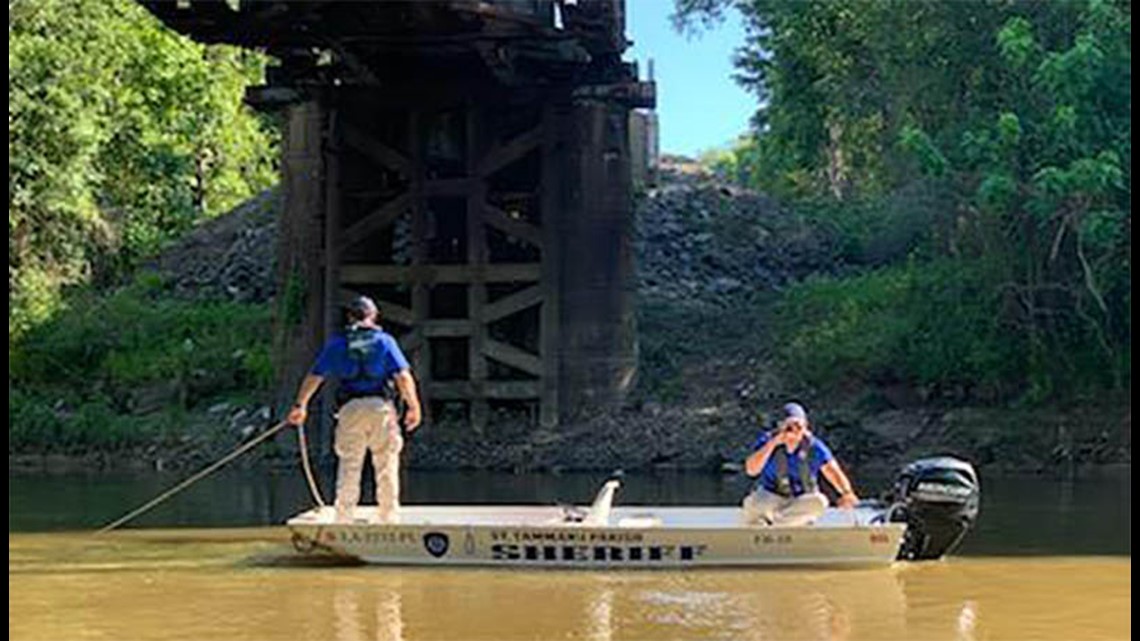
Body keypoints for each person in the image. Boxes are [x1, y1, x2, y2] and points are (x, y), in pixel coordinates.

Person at [287, 295, 423, 524]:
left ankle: (344, 517)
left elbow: (315, 376)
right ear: (373, 316)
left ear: (349, 317)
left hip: (350, 409)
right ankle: (388, 517)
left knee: (350, 464)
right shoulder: (385, 341)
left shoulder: (337, 343)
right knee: (386, 462)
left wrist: (301, 405)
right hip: (381, 408)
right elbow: (403, 377)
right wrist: (414, 407)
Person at [742, 402, 859, 526]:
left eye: (798, 426)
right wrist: (773, 443)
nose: (794, 431)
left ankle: (778, 526)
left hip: (801, 501)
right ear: (780, 426)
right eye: (789, 427)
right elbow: (751, 470)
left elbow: (833, 471)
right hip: (773, 497)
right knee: (753, 503)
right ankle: (766, 527)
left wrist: (846, 492)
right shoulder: (767, 441)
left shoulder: (814, 447)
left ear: (806, 426)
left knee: (820, 501)